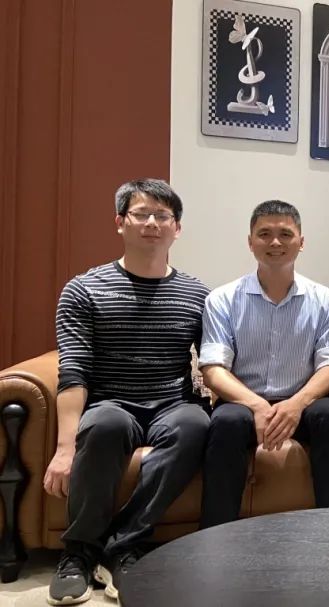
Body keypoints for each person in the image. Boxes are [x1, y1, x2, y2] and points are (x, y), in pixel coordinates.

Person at [44, 179, 210, 605]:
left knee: (196, 424)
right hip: (110, 402)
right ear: (120, 222)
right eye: (141, 214)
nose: (152, 223)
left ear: (177, 228)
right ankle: (79, 552)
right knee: (103, 425)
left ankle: (124, 546)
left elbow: (215, 361)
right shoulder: (84, 289)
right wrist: (64, 449)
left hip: (172, 404)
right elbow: (73, 372)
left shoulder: (197, 294)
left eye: (163, 216)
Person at [199, 200, 329, 529]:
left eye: (285, 234)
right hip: (242, 402)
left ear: (301, 242)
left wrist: (296, 404)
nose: (275, 242)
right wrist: (257, 405)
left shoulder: (325, 299)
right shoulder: (222, 299)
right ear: (250, 241)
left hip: (303, 403)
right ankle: (215, 536)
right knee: (226, 421)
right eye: (264, 234)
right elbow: (213, 369)